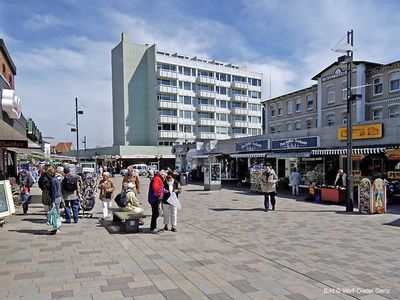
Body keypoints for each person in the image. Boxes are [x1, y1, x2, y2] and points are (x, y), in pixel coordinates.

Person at [50, 167, 62, 234]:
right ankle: (57, 227)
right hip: (58, 197)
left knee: (56, 214)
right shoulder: (56, 179)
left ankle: (57, 228)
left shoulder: (53, 180)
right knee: (57, 213)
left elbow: (54, 191)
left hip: (56, 198)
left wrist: (53, 201)